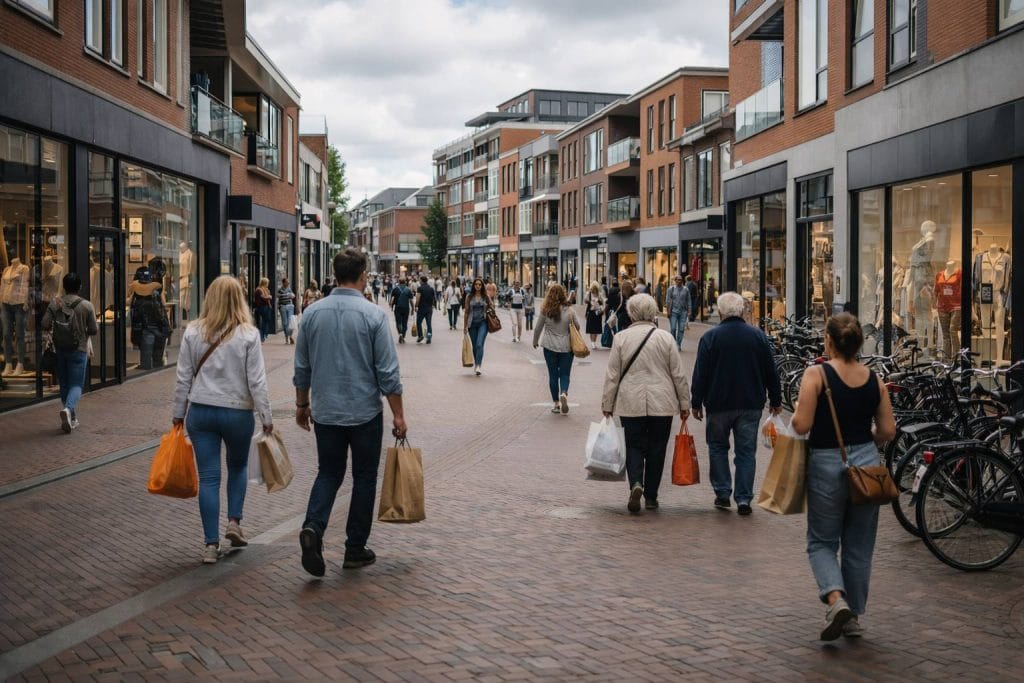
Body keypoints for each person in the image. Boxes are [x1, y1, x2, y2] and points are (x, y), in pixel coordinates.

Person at [295, 248, 406, 578]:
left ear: (334, 273)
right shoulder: (373, 316)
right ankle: (355, 548)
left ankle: (313, 527)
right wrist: (398, 415)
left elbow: (302, 367)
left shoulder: (312, 314)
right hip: (364, 413)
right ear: (363, 275)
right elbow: (388, 373)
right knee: (364, 477)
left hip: (326, 411)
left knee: (328, 472)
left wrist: (302, 405)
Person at [791, 313, 896, 641]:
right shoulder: (874, 379)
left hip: (826, 461)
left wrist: (794, 414)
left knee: (822, 540)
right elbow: (889, 430)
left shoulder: (816, 374)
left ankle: (836, 599)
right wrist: (867, 441)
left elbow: (802, 425)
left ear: (829, 341)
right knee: (859, 544)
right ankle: (853, 616)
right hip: (866, 465)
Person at [171, 276, 273, 565]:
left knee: (209, 478)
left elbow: (183, 378)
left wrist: (178, 414)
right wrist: (266, 417)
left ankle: (210, 545)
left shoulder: (192, 332)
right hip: (237, 412)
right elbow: (257, 382)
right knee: (237, 466)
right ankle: (234, 522)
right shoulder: (248, 335)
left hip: (201, 412)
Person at [690, 291, 783, 515]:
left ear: (720, 312)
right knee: (745, 451)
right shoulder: (758, 336)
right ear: (742, 311)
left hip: (718, 403)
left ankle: (723, 493)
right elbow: (771, 370)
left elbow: (700, 373)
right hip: (750, 403)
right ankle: (743, 498)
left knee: (718, 448)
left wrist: (696, 401)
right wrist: (776, 399)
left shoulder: (710, 338)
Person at [602, 294, 690, 513]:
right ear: (653, 313)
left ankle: (635, 484)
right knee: (657, 448)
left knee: (633, 445)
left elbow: (612, 375)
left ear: (631, 313)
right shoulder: (666, 338)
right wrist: (684, 403)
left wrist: (607, 404)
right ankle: (651, 495)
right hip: (662, 401)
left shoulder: (621, 338)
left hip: (630, 401)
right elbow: (678, 374)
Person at [42, 272, 98, 433]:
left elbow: (45, 324)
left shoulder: (55, 303)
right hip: (78, 350)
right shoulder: (87, 305)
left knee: (64, 384)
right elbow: (93, 330)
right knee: (76, 385)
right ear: (79, 287)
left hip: (59, 349)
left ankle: (71, 418)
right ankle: (68, 410)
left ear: (64, 287)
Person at [533, 284, 582, 415]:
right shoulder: (570, 310)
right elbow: (577, 326)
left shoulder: (546, 310)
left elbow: (538, 327)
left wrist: (535, 340)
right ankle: (564, 393)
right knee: (565, 374)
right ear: (563, 294)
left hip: (549, 346)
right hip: (566, 347)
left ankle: (556, 403)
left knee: (553, 375)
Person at [127, 266, 170, 369]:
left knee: (146, 356)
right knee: (158, 357)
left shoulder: (135, 291)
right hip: (159, 327)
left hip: (145, 328)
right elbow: (164, 305)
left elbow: (129, 303)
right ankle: (157, 371)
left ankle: (148, 369)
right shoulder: (157, 290)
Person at [463, 278, 493, 376]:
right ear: (473, 286)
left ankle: (478, 365)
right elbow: (466, 312)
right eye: (476, 284)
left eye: (480, 284)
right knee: (475, 346)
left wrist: (488, 307)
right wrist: (465, 326)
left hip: (483, 323)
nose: (478, 286)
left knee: (479, 344)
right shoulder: (469, 296)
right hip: (472, 324)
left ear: (482, 286)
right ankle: (477, 363)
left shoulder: (486, 296)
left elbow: (492, 307)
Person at [666, 275, 691, 350]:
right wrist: (668, 311)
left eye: (680, 279)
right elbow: (668, 300)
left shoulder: (686, 290)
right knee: (673, 328)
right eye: (677, 280)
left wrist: (689, 311)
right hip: (673, 312)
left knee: (681, 329)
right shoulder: (671, 289)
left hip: (683, 312)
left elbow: (688, 300)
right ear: (675, 281)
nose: (679, 281)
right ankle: (674, 343)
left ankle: (678, 344)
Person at [390, 278, 413, 343]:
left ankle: (400, 334)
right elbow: (411, 300)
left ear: (399, 282)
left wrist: (391, 306)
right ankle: (403, 335)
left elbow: (392, 299)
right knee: (405, 322)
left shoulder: (395, 289)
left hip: (398, 308)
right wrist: (413, 309)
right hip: (406, 308)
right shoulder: (408, 289)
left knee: (398, 322)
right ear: (405, 282)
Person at [414, 275, 435, 344]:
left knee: (418, 322)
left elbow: (418, 298)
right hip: (429, 308)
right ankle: (429, 336)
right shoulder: (431, 288)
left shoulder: (420, 288)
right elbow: (433, 299)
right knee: (429, 323)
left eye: (420, 280)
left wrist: (416, 306)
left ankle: (420, 336)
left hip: (422, 308)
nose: (419, 281)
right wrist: (433, 306)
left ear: (422, 281)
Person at [583, 282, 605, 349]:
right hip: (591, 313)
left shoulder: (599, 294)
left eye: (595, 288)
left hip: (597, 313)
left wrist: (602, 308)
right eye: (593, 288)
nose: (594, 289)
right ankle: (593, 343)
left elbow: (602, 302)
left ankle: (594, 342)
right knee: (592, 329)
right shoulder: (589, 294)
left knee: (596, 329)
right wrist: (589, 301)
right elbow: (585, 300)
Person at [253, 277, 273, 343]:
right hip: (261, 307)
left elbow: (267, 298)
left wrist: (269, 304)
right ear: (265, 283)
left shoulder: (266, 290)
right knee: (263, 322)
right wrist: (269, 297)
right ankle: (262, 336)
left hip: (266, 307)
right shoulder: (259, 289)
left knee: (266, 321)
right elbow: (263, 297)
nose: (268, 284)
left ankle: (264, 335)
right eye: (267, 283)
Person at [278, 277, 296, 344]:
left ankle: (290, 336)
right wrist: (285, 295)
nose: (288, 283)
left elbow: (293, 295)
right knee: (285, 323)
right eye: (287, 282)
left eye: (288, 282)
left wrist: (292, 295)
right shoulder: (280, 289)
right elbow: (277, 296)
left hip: (290, 306)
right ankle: (286, 337)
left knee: (290, 322)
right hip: (283, 307)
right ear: (283, 283)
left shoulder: (289, 289)